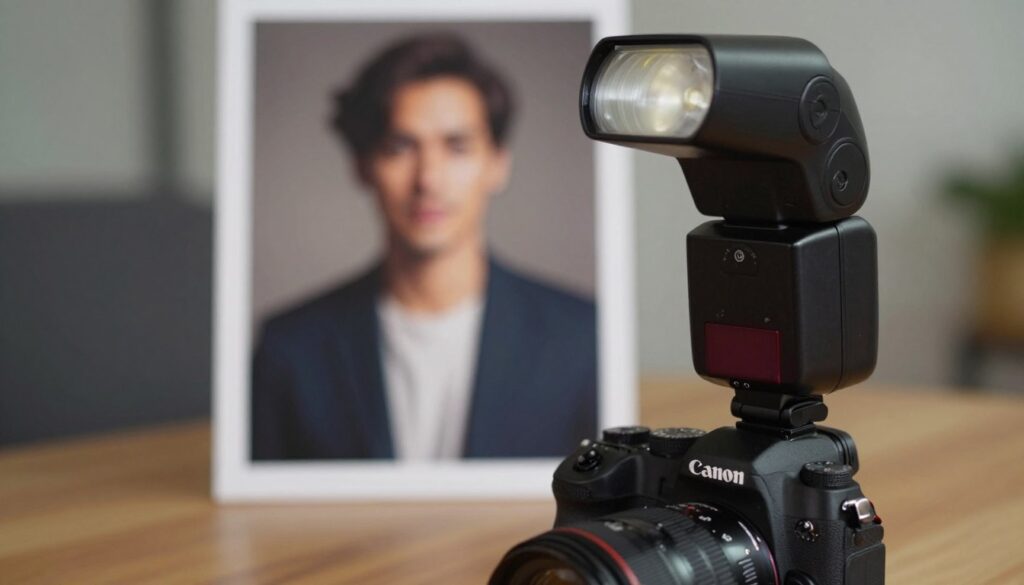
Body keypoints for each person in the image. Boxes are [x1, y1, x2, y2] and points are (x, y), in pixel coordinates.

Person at [251, 33, 596, 461]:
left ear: (498, 164)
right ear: (362, 167)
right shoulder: (290, 349)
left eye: (457, 147)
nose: (428, 179)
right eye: (400, 147)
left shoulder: (582, 338)